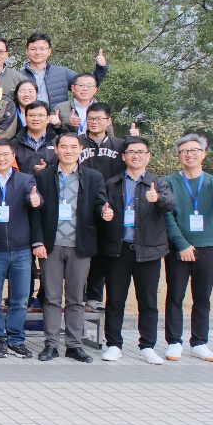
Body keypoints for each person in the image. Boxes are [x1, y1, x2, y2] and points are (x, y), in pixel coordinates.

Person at [33, 132, 108, 363]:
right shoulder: (43, 176)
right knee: (52, 298)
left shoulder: (93, 176)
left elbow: (100, 203)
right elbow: (35, 212)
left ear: (80, 150)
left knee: (76, 298)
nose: (68, 151)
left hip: (80, 245)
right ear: (56, 149)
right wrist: (37, 242)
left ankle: (74, 345)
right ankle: (51, 344)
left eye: (73, 147)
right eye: (63, 147)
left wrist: (104, 212)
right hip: (51, 246)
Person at [99, 136, 174, 365]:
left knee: (148, 301)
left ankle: (148, 346)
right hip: (118, 250)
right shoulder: (112, 184)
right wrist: (104, 215)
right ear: (124, 156)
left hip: (148, 251)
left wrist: (157, 199)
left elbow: (170, 204)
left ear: (148, 157)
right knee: (115, 300)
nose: (136, 156)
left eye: (141, 152)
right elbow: (101, 210)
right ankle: (114, 345)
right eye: (131, 152)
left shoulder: (158, 183)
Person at [162, 134, 213, 362]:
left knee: (202, 297)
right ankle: (174, 342)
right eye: (184, 151)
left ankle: (200, 342)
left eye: (194, 150)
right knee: (175, 295)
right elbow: (167, 216)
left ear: (203, 154)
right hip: (178, 247)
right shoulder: (169, 182)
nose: (189, 155)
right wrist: (182, 245)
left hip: (208, 246)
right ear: (179, 156)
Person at [0, 138, 41, 359]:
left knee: (20, 299)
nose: (1, 158)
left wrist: (36, 199)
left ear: (13, 157)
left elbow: (33, 196)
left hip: (21, 249)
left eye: (6, 154)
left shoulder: (26, 179)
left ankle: (16, 338)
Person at [79, 102, 126, 312]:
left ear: (108, 121)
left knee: (103, 251)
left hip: (111, 205)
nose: (94, 122)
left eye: (99, 119)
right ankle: (78, 296)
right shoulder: (77, 143)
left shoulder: (120, 145)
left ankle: (94, 296)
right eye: (90, 119)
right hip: (82, 204)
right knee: (81, 252)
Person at [17, 32, 108, 107]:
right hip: (30, 120)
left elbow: (88, 85)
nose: (37, 52)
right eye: (33, 49)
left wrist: (101, 68)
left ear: (49, 51)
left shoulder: (62, 72)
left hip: (57, 120)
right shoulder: (18, 76)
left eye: (42, 49)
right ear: (27, 52)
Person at [12, 101, 57, 174]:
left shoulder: (57, 142)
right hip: (23, 181)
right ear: (25, 118)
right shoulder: (14, 143)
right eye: (31, 115)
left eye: (40, 115)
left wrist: (48, 170)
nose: (36, 119)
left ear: (48, 118)